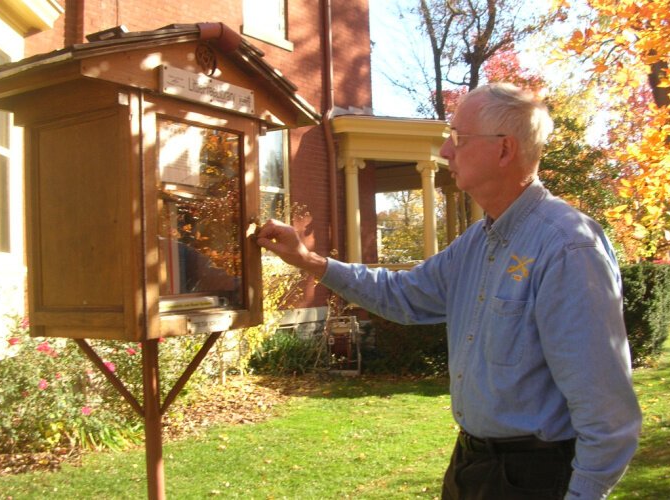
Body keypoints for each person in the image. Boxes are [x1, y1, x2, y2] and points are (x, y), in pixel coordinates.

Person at [255, 83, 641, 500]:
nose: (445, 153)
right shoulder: (478, 242)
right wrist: (310, 261)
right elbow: (403, 294)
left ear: (504, 150)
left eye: (458, 138)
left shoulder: (567, 247)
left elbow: (607, 415)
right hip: (472, 467)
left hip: (536, 478)